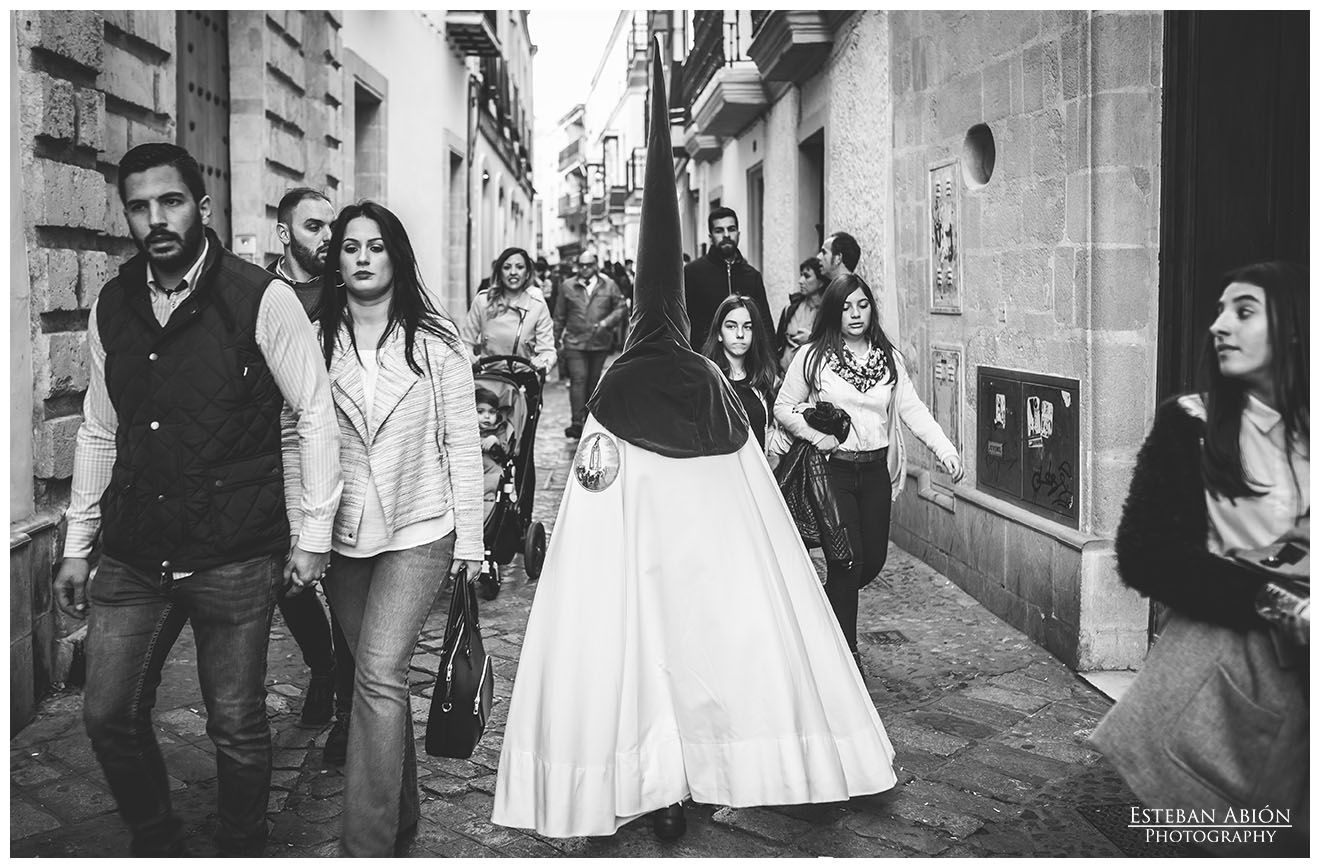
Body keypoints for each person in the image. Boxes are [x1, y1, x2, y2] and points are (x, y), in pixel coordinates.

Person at [493, 45, 896, 843]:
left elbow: (595, 487)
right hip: (700, 559)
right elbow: (743, 494)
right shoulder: (697, 385)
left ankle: (659, 779)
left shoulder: (627, 387)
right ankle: (724, 764)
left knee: (643, 651)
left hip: (647, 559)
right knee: (712, 644)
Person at [52, 142, 342, 857]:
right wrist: (77, 544)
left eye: (171, 201)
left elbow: (314, 412)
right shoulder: (112, 303)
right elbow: (100, 426)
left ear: (202, 208)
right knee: (108, 713)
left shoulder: (262, 297)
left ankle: (242, 844)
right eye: (140, 206)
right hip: (134, 548)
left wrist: (313, 536)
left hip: (234, 552)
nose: (156, 218)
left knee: (236, 723)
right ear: (127, 216)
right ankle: (156, 839)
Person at [1090, 261, 1309, 856]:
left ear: (1293, 328)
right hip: (1225, 678)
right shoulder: (1192, 422)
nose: (1219, 325)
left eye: (1243, 311)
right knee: (1220, 839)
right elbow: (1146, 555)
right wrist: (1274, 600)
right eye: (1219, 311)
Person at [288, 200, 485, 857]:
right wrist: (303, 529)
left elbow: (463, 443)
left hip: (419, 528)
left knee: (375, 673)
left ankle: (364, 848)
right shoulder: (314, 338)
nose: (363, 257)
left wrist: (471, 539)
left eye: (375, 246)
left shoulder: (436, 340)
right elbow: (293, 437)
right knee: (382, 686)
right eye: (350, 247)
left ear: (395, 256)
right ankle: (400, 821)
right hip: (344, 537)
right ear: (336, 261)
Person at [774, 273, 964, 666]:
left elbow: (912, 410)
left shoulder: (888, 359)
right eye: (846, 307)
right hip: (832, 473)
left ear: (871, 309)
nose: (855, 314)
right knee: (846, 560)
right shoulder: (813, 357)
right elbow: (783, 407)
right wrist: (816, 435)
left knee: (872, 560)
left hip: (875, 471)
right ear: (834, 312)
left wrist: (944, 450)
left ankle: (817, 613)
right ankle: (845, 656)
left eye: (862, 305)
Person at [269, 186, 357, 755]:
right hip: (274, 453)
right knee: (289, 579)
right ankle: (321, 667)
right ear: (284, 233)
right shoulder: (260, 293)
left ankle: (348, 707)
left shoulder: (347, 292)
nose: (328, 237)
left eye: (331, 226)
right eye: (313, 226)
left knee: (345, 580)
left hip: (339, 446)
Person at [554, 250, 628, 439]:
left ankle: (589, 419)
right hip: (574, 341)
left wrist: (606, 323)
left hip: (599, 341)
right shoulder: (567, 286)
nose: (585, 269)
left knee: (593, 381)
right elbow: (559, 315)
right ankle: (576, 422)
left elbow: (621, 308)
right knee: (578, 379)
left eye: (589, 265)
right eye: (582, 265)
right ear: (577, 266)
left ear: (595, 266)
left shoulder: (609, 285)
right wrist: (555, 341)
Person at [683, 206, 774, 348]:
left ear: (738, 233)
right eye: (719, 230)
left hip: (744, 357)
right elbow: (682, 322)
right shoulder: (692, 273)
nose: (726, 235)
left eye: (731, 229)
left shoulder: (752, 276)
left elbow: (765, 324)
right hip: (704, 357)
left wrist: (770, 358)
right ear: (711, 237)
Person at [461, 246, 557, 372]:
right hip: (489, 378)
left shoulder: (537, 305)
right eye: (507, 267)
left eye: (520, 267)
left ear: (527, 273)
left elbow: (547, 350)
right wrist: (470, 358)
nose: (513, 272)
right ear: (499, 272)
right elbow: (465, 342)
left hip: (524, 377)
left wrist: (543, 362)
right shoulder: (483, 300)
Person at [701, 295, 778, 451]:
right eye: (731, 326)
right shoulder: (706, 380)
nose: (740, 334)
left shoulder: (764, 378)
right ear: (719, 333)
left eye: (748, 327)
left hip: (757, 465)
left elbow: (769, 433)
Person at [775, 257, 828, 373]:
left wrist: (811, 339)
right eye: (801, 275)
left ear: (821, 282)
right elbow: (777, 344)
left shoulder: (827, 312)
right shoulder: (791, 308)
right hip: (785, 376)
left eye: (807, 276)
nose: (800, 281)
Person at [475, 386, 514, 520]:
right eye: (480, 412)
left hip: (491, 469)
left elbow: (506, 452)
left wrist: (495, 441)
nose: (487, 416)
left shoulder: (500, 429)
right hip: (471, 467)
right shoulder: (468, 428)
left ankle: (487, 518)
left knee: (495, 477)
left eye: (491, 412)